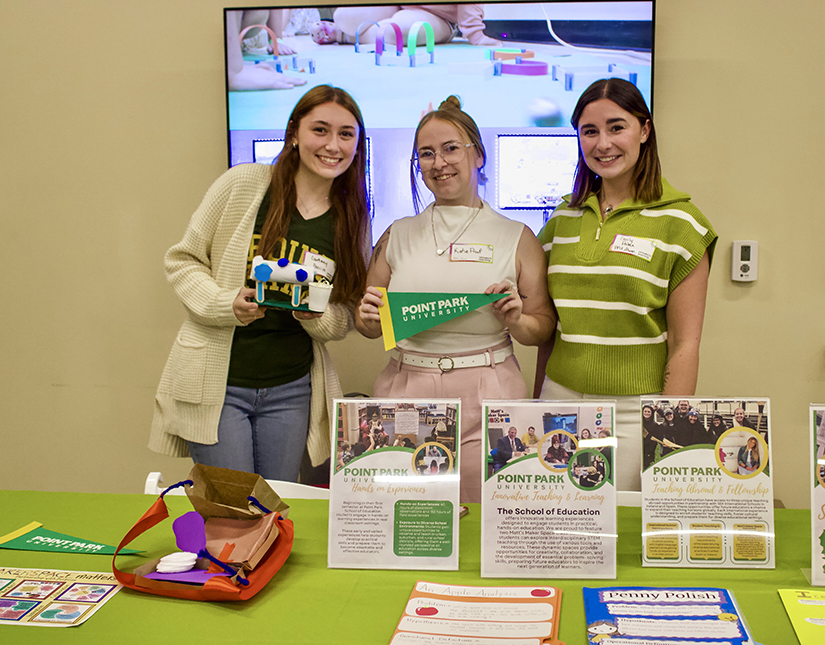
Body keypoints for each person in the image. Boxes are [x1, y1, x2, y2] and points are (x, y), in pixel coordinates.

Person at [148, 85, 371, 483]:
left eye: (345, 134)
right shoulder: (243, 184)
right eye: (320, 130)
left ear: (357, 143)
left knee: (274, 511)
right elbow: (181, 260)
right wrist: (226, 302)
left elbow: (347, 313)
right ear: (294, 133)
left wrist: (314, 316)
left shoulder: (351, 217)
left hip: (290, 389)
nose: (332, 145)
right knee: (233, 511)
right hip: (220, 385)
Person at [355, 96, 556, 502]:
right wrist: (367, 318)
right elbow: (368, 323)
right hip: (406, 386)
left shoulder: (517, 236)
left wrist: (517, 319)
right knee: (405, 515)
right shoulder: (397, 233)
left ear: (477, 155)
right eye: (426, 154)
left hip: (489, 394)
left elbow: (542, 326)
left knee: (488, 520)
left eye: (451, 148)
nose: (438, 162)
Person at [535, 78, 717, 492]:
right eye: (590, 131)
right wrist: (536, 403)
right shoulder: (561, 220)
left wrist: (669, 434)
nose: (603, 144)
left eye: (617, 127)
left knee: (624, 545)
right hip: (558, 404)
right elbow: (550, 329)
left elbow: (686, 345)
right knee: (554, 539)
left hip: (636, 416)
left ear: (644, 130)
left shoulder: (683, 224)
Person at [311, 4, 501, 47]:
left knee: (396, 32)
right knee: (343, 15)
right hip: (395, 4)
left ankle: (345, 37)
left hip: (440, 17)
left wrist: (475, 33)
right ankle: (344, 29)